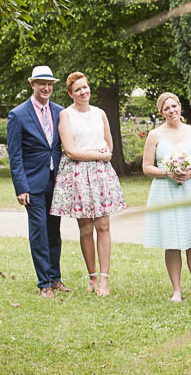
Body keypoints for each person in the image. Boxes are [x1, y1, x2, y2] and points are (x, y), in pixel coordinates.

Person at [50, 72, 126, 296]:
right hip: (78, 175)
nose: (83, 92)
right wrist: (98, 154)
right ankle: (92, 276)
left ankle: (104, 280)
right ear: (70, 93)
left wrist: (102, 155)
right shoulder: (66, 115)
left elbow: (109, 148)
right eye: (78, 90)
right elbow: (71, 151)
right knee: (85, 228)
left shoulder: (100, 114)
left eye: (85, 87)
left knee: (103, 227)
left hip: (101, 174)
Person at [7, 65, 70, 297]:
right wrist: (21, 187)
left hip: (57, 182)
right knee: (39, 232)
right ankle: (44, 283)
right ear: (32, 84)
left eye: (50, 84)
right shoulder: (18, 114)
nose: (46, 88)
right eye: (41, 83)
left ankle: (55, 279)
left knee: (54, 231)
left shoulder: (60, 112)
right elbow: (15, 155)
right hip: (32, 185)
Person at [142, 92, 191, 302]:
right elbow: (146, 167)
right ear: (161, 112)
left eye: (174, 106)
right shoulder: (155, 135)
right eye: (166, 109)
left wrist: (189, 173)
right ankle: (176, 290)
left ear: (180, 106)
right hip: (165, 190)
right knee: (171, 241)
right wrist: (167, 172)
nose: (171, 111)